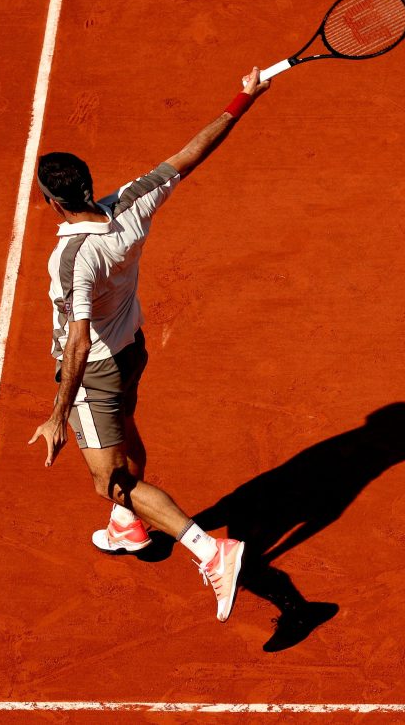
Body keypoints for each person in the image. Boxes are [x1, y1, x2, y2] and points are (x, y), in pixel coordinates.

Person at [28, 67, 270, 622]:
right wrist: (243, 98)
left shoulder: (71, 259)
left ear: (53, 203)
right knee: (126, 433)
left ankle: (211, 551)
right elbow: (190, 154)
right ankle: (129, 529)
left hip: (94, 372)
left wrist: (58, 414)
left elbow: (77, 341)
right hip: (131, 348)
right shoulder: (132, 204)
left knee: (107, 478)